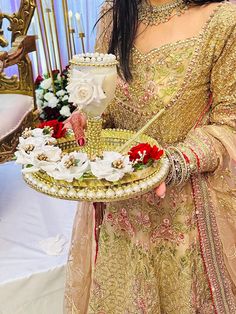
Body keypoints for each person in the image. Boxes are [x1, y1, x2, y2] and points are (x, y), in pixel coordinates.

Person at [64, 0, 236, 313]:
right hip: (121, 213)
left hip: (184, 220)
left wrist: (173, 163)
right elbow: (107, 101)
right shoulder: (114, 14)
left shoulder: (224, 20)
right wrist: (88, 117)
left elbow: (229, 122)